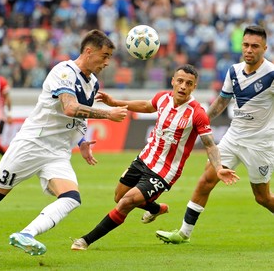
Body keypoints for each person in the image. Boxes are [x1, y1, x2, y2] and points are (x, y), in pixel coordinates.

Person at [0, 29, 128, 256]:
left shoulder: (93, 83)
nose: (107, 62)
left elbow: (79, 116)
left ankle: (26, 234)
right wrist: (108, 114)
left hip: (58, 152)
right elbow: (69, 107)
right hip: (33, 144)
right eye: (105, 55)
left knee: (71, 198)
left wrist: (81, 141)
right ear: (88, 51)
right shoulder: (63, 71)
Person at [70, 64, 239, 251]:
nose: (183, 86)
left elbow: (210, 145)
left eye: (189, 84)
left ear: (194, 87)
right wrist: (115, 103)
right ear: (173, 81)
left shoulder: (197, 114)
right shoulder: (163, 98)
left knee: (126, 202)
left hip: (164, 172)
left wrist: (218, 168)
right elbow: (146, 105)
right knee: (119, 197)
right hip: (144, 159)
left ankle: (85, 241)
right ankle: (156, 209)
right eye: (180, 81)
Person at [156, 25, 274, 245]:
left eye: (255, 46)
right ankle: (183, 233)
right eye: (246, 45)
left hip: (260, 145)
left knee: (262, 198)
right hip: (232, 138)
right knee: (206, 181)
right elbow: (221, 101)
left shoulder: (271, 74)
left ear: (264, 49)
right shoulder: (233, 71)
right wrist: (196, 123)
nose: (249, 50)